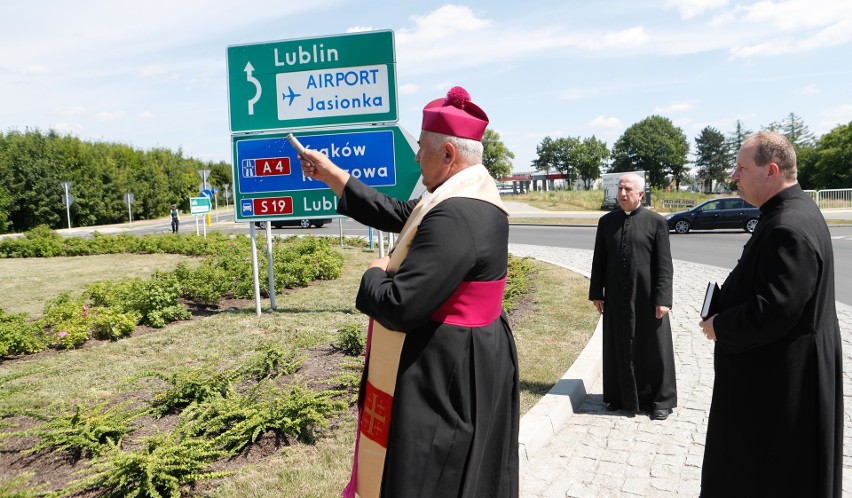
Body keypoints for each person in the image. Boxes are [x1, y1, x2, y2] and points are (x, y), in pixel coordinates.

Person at [299, 87, 519, 498]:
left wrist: (373, 273)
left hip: (448, 371)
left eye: (422, 148)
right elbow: (400, 213)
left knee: (433, 473)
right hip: (467, 355)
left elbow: (399, 306)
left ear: (448, 153)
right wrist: (332, 175)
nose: (417, 157)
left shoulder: (457, 214)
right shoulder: (465, 194)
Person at [698, 131, 842, 497]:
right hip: (784, 376)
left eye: (742, 168)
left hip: (778, 390)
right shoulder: (789, 212)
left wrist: (720, 325)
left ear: (771, 171)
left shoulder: (787, 227)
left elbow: (774, 311)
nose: (734, 175)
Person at [589, 173, 676, 420]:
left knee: (654, 348)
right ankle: (620, 397)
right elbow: (599, 260)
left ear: (640, 194)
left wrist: (663, 298)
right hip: (616, 296)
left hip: (648, 298)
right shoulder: (606, 222)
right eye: (620, 188)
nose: (622, 193)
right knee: (618, 345)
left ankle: (659, 401)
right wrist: (597, 292)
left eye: (628, 189)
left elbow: (664, 264)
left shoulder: (656, 222)